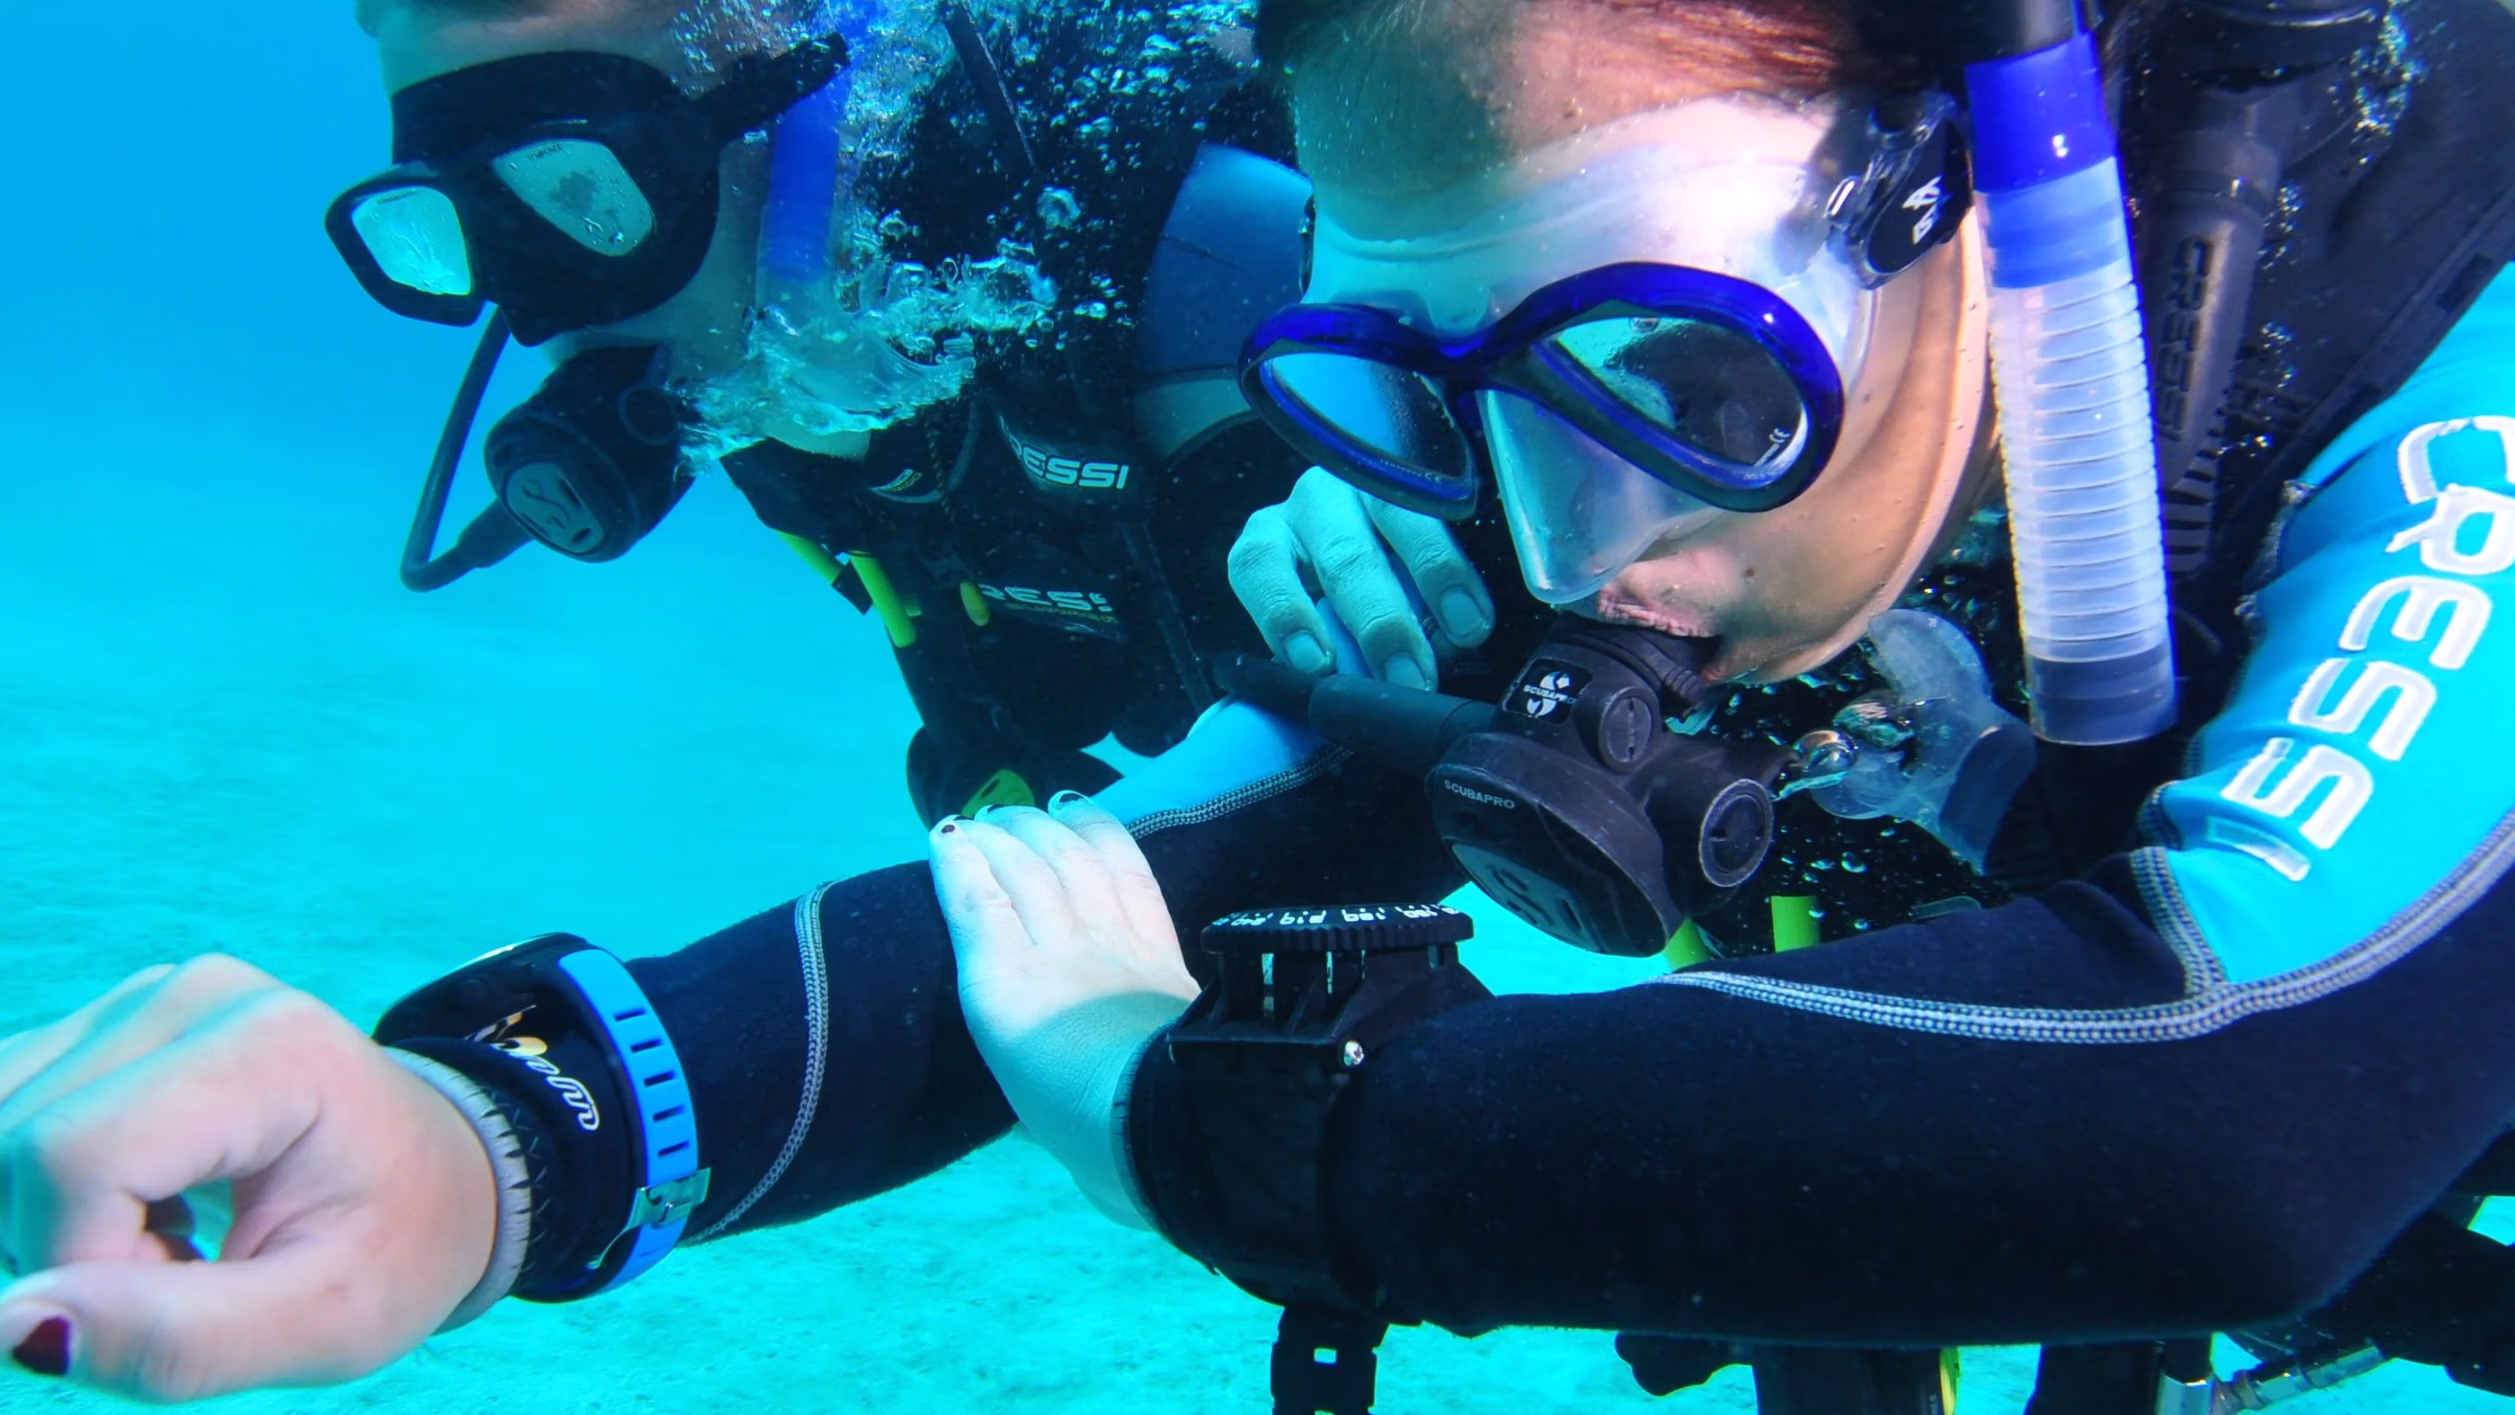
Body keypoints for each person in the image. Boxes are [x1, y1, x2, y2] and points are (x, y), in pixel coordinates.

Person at [9, 0, 2515, 1409]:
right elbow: (1141, 874)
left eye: (1658, 353)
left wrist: (1242, 1146)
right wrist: (491, 1141)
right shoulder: (1585, 466)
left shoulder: (2452, 345)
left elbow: (2236, 1108)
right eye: (1414, 376)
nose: (1562, 546)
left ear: (1967, 176)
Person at [338, 0, 1513, 825]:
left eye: (578, 194)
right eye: (446, 232)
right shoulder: (764, 353)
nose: (542, 311)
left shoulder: (1195, 252)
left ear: (767, 90)